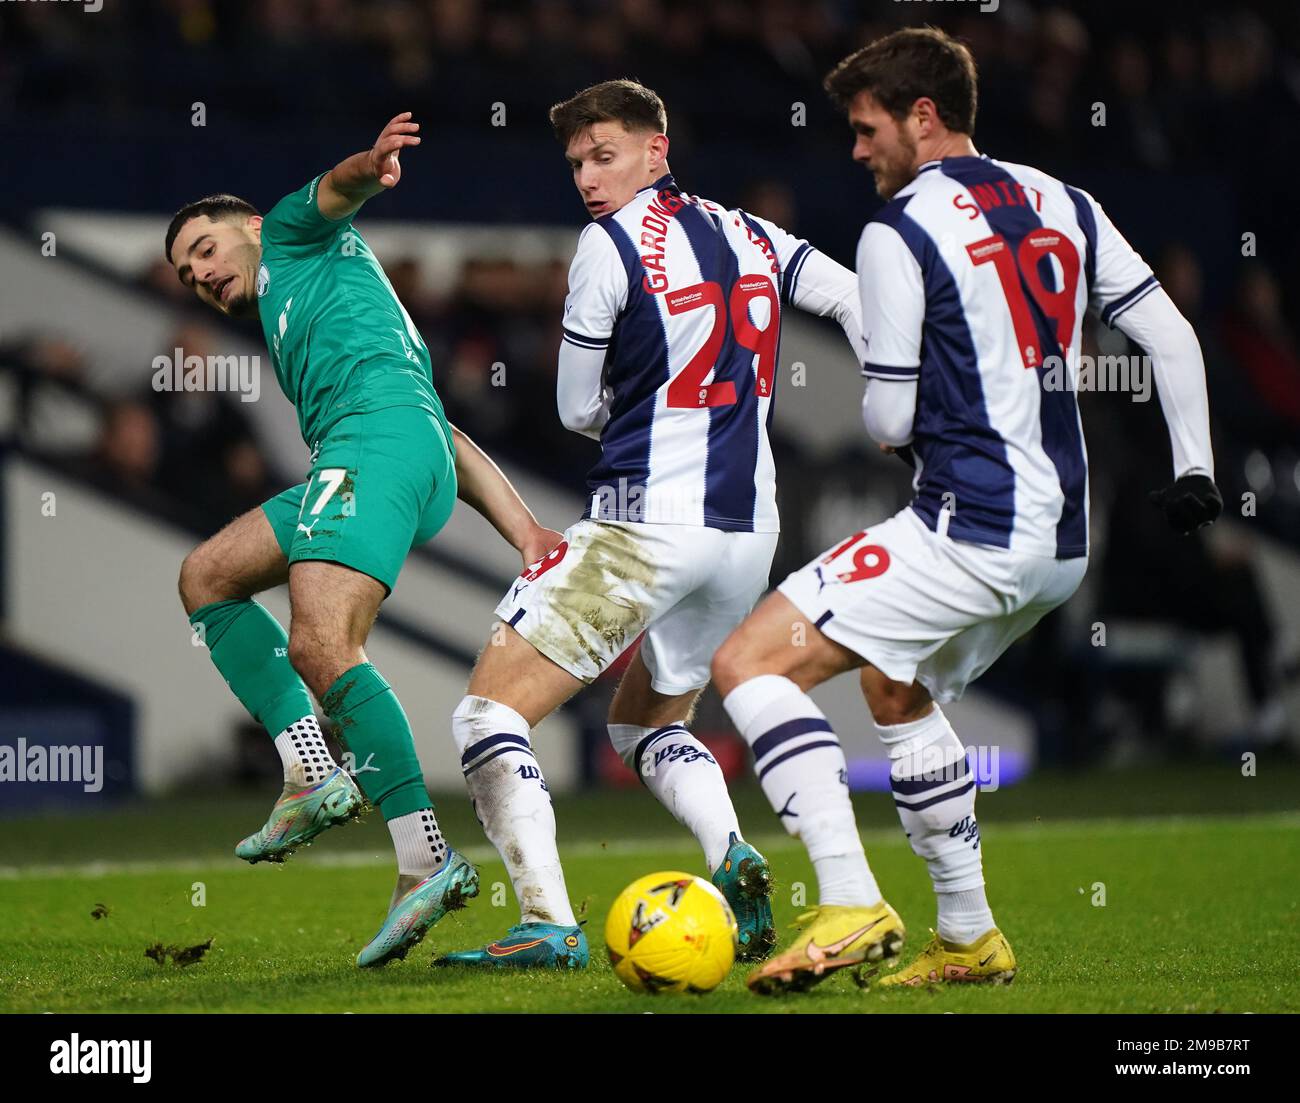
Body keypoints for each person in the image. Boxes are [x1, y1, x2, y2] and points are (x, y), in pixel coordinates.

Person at [712, 27, 1222, 995]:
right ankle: (968, 934)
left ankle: (852, 896)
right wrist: (1192, 465)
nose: (856, 151)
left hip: (972, 525)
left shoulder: (899, 229)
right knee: (893, 687)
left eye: (866, 130)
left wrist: (889, 423)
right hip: (1065, 540)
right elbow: (1165, 328)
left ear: (923, 116)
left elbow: (890, 411)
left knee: (747, 662)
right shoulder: (1062, 201)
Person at [434, 79, 869, 970]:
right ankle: (732, 854)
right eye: (578, 164)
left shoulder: (607, 243)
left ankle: (548, 922)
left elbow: (569, 407)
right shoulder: (751, 232)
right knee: (644, 724)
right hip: (748, 528)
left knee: (486, 715)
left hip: (643, 522)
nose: (589, 179)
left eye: (605, 155)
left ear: (655, 150)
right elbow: (857, 298)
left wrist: (639, 407)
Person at [166, 112, 561, 968]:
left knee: (320, 641)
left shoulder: (291, 237)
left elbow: (333, 189)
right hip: (389, 448)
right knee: (208, 576)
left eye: (204, 248)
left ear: (251, 228)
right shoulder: (311, 307)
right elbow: (438, 428)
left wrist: (369, 163)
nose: (198, 273)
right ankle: (313, 771)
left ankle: (420, 851)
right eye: (185, 272)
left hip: (371, 444)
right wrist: (523, 526)